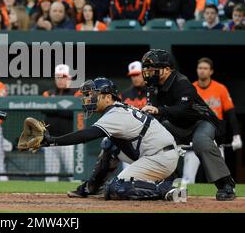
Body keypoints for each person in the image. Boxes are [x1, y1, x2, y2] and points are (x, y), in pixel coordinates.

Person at [37, 77, 180, 201]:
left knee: (116, 188)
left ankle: (165, 188)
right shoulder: (118, 109)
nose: (89, 98)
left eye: (94, 94)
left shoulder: (115, 113)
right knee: (110, 144)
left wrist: (52, 141)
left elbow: (86, 135)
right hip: (155, 153)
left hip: (160, 158)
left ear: (108, 97)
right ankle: (91, 188)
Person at [140, 49, 236, 201]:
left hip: (200, 122)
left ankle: (226, 184)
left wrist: (158, 110)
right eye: (146, 67)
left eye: (153, 67)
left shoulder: (181, 82)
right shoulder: (152, 86)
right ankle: (167, 180)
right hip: (176, 125)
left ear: (166, 69)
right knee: (152, 138)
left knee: (201, 142)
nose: (148, 71)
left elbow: (183, 109)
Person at [182, 57, 243, 184]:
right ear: (197, 70)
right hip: (195, 136)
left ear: (211, 71)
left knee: (220, 176)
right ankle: (183, 203)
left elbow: (231, 114)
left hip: (215, 137)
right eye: (200, 68)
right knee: (187, 178)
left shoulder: (220, 89)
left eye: (205, 68)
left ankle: (225, 196)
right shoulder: (190, 89)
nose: (202, 71)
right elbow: (182, 115)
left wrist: (236, 135)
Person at [41, 64, 78, 181]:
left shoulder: (77, 93)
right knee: (50, 175)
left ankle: (79, 197)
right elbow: (43, 109)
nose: (60, 80)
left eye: (63, 77)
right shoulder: (48, 93)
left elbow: (73, 113)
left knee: (73, 173)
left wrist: (54, 109)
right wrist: (62, 109)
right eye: (58, 77)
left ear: (69, 78)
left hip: (69, 139)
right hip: (50, 138)